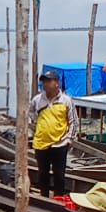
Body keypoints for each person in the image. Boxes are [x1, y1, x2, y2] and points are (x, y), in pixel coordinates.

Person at [27, 69, 79, 197]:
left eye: (48, 81)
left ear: (56, 82)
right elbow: (30, 114)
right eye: (44, 81)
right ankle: (44, 198)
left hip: (60, 144)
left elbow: (73, 121)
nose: (45, 84)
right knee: (42, 174)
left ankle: (58, 199)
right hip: (41, 143)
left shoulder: (66, 101)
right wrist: (39, 126)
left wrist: (69, 139)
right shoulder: (37, 100)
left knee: (59, 175)